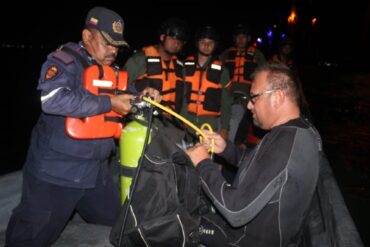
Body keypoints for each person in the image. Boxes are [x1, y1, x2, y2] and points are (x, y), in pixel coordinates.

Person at [5, 7, 160, 247]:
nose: (113, 51)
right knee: (30, 237)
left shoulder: (114, 71)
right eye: (107, 43)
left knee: (119, 225)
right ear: (87, 36)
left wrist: (144, 97)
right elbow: (51, 99)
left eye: (117, 45)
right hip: (57, 172)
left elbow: (129, 99)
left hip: (96, 172)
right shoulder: (65, 61)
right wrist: (108, 102)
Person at [186, 63, 321, 246]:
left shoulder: (285, 144)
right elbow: (262, 165)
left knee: (180, 221)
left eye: (254, 97)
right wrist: (226, 149)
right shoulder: (299, 132)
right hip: (266, 236)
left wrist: (202, 162)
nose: (249, 105)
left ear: (278, 97)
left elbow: (235, 211)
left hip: (243, 240)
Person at [123, 18, 188, 112]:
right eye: (172, 38)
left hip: (172, 121)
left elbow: (183, 100)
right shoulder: (139, 60)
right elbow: (121, 90)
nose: (176, 43)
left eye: (180, 41)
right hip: (143, 118)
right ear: (162, 37)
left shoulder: (180, 67)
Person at [182, 25, 232, 140]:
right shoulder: (184, 67)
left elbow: (226, 103)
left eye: (211, 42)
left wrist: (224, 128)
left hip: (210, 125)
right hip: (185, 122)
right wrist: (181, 118)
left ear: (215, 46)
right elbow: (179, 95)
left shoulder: (223, 71)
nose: (206, 45)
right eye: (203, 41)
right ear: (197, 43)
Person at [220, 23, 266, 145]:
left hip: (248, 96)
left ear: (248, 38)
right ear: (234, 38)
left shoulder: (256, 54)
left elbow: (266, 74)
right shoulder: (226, 54)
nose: (240, 39)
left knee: (238, 117)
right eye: (238, 36)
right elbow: (216, 73)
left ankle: (231, 145)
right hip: (228, 94)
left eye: (243, 36)